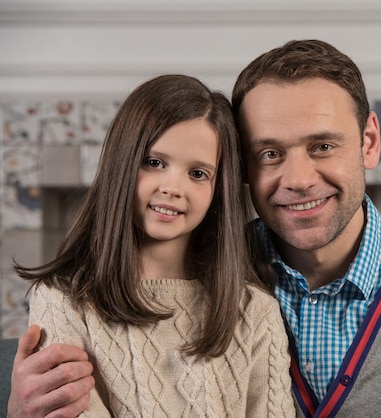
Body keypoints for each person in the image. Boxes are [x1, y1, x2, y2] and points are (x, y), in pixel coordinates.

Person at [9, 40, 381, 417]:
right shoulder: (224, 269)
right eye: (270, 153)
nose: (299, 179)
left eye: (323, 146)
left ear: (368, 141)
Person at [9, 74, 294, 417]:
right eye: (154, 162)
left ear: (219, 189)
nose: (173, 187)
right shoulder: (64, 301)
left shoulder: (255, 310)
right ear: (122, 164)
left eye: (198, 173)